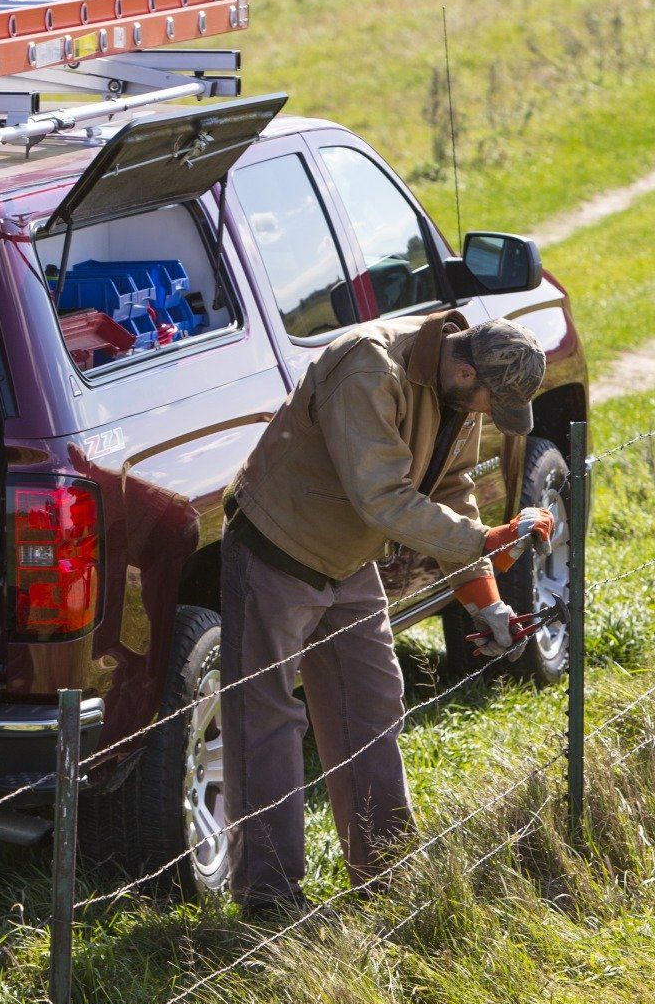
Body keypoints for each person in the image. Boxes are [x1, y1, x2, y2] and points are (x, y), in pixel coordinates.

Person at [219, 311, 555, 915]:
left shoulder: (457, 393)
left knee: (371, 706)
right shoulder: (368, 367)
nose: (483, 415)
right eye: (486, 402)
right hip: (276, 551)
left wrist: (489, 605)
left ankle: (388, 878)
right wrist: (485, 543)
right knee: (267, 723)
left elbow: (451, 492)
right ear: (463, 368)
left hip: (348, 561)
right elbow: (382, 498)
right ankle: (269, 901)